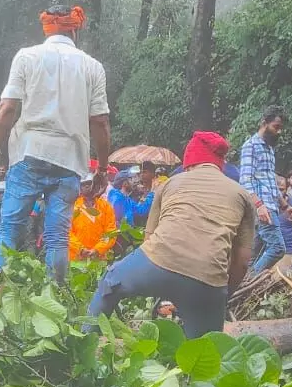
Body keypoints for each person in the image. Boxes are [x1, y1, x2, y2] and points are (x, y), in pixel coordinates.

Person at [0, 4, 111, 282]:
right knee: (57, 238)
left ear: (46, 28)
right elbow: (100, 122)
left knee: (9, 229)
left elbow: (7, 108)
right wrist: (102, 168)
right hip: (69, 161)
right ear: (75, 29)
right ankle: (56, 297)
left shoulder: (26, 57)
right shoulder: (93, 67)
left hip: (29, 153)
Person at [88, 132, 257, 338]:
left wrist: (163, 284)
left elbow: (149, 240)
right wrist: (220, 295)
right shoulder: (242, 195)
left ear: (190, 162)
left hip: (158, 261)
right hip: (210, 279)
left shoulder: (169, 184)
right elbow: (242, 261)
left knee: (110, 281)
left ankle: (84, 341)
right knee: (206, 346)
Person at [240, 106, 289, 275]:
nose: (279, 131)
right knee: (277, 248)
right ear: (264, 123)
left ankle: (242, 289)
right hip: (262, 208)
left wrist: (286, 206)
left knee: (253, 256)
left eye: (281, 128)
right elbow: (245, 180)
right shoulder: (251, 146)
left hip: (270, 207)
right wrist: (259, 205)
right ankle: (252, 283)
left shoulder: (269, 149)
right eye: (276, 127)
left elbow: (271, 183)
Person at [69, 172, 117, 261]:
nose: (87, 186)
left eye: (89, 183)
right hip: (77, 259)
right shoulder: (73, 207)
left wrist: (98, 249)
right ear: (79, 187)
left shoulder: (106, 206)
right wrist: (81, 249)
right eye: (83, 184)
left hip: (99, 258)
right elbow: (67, 232)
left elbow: (111, 232)